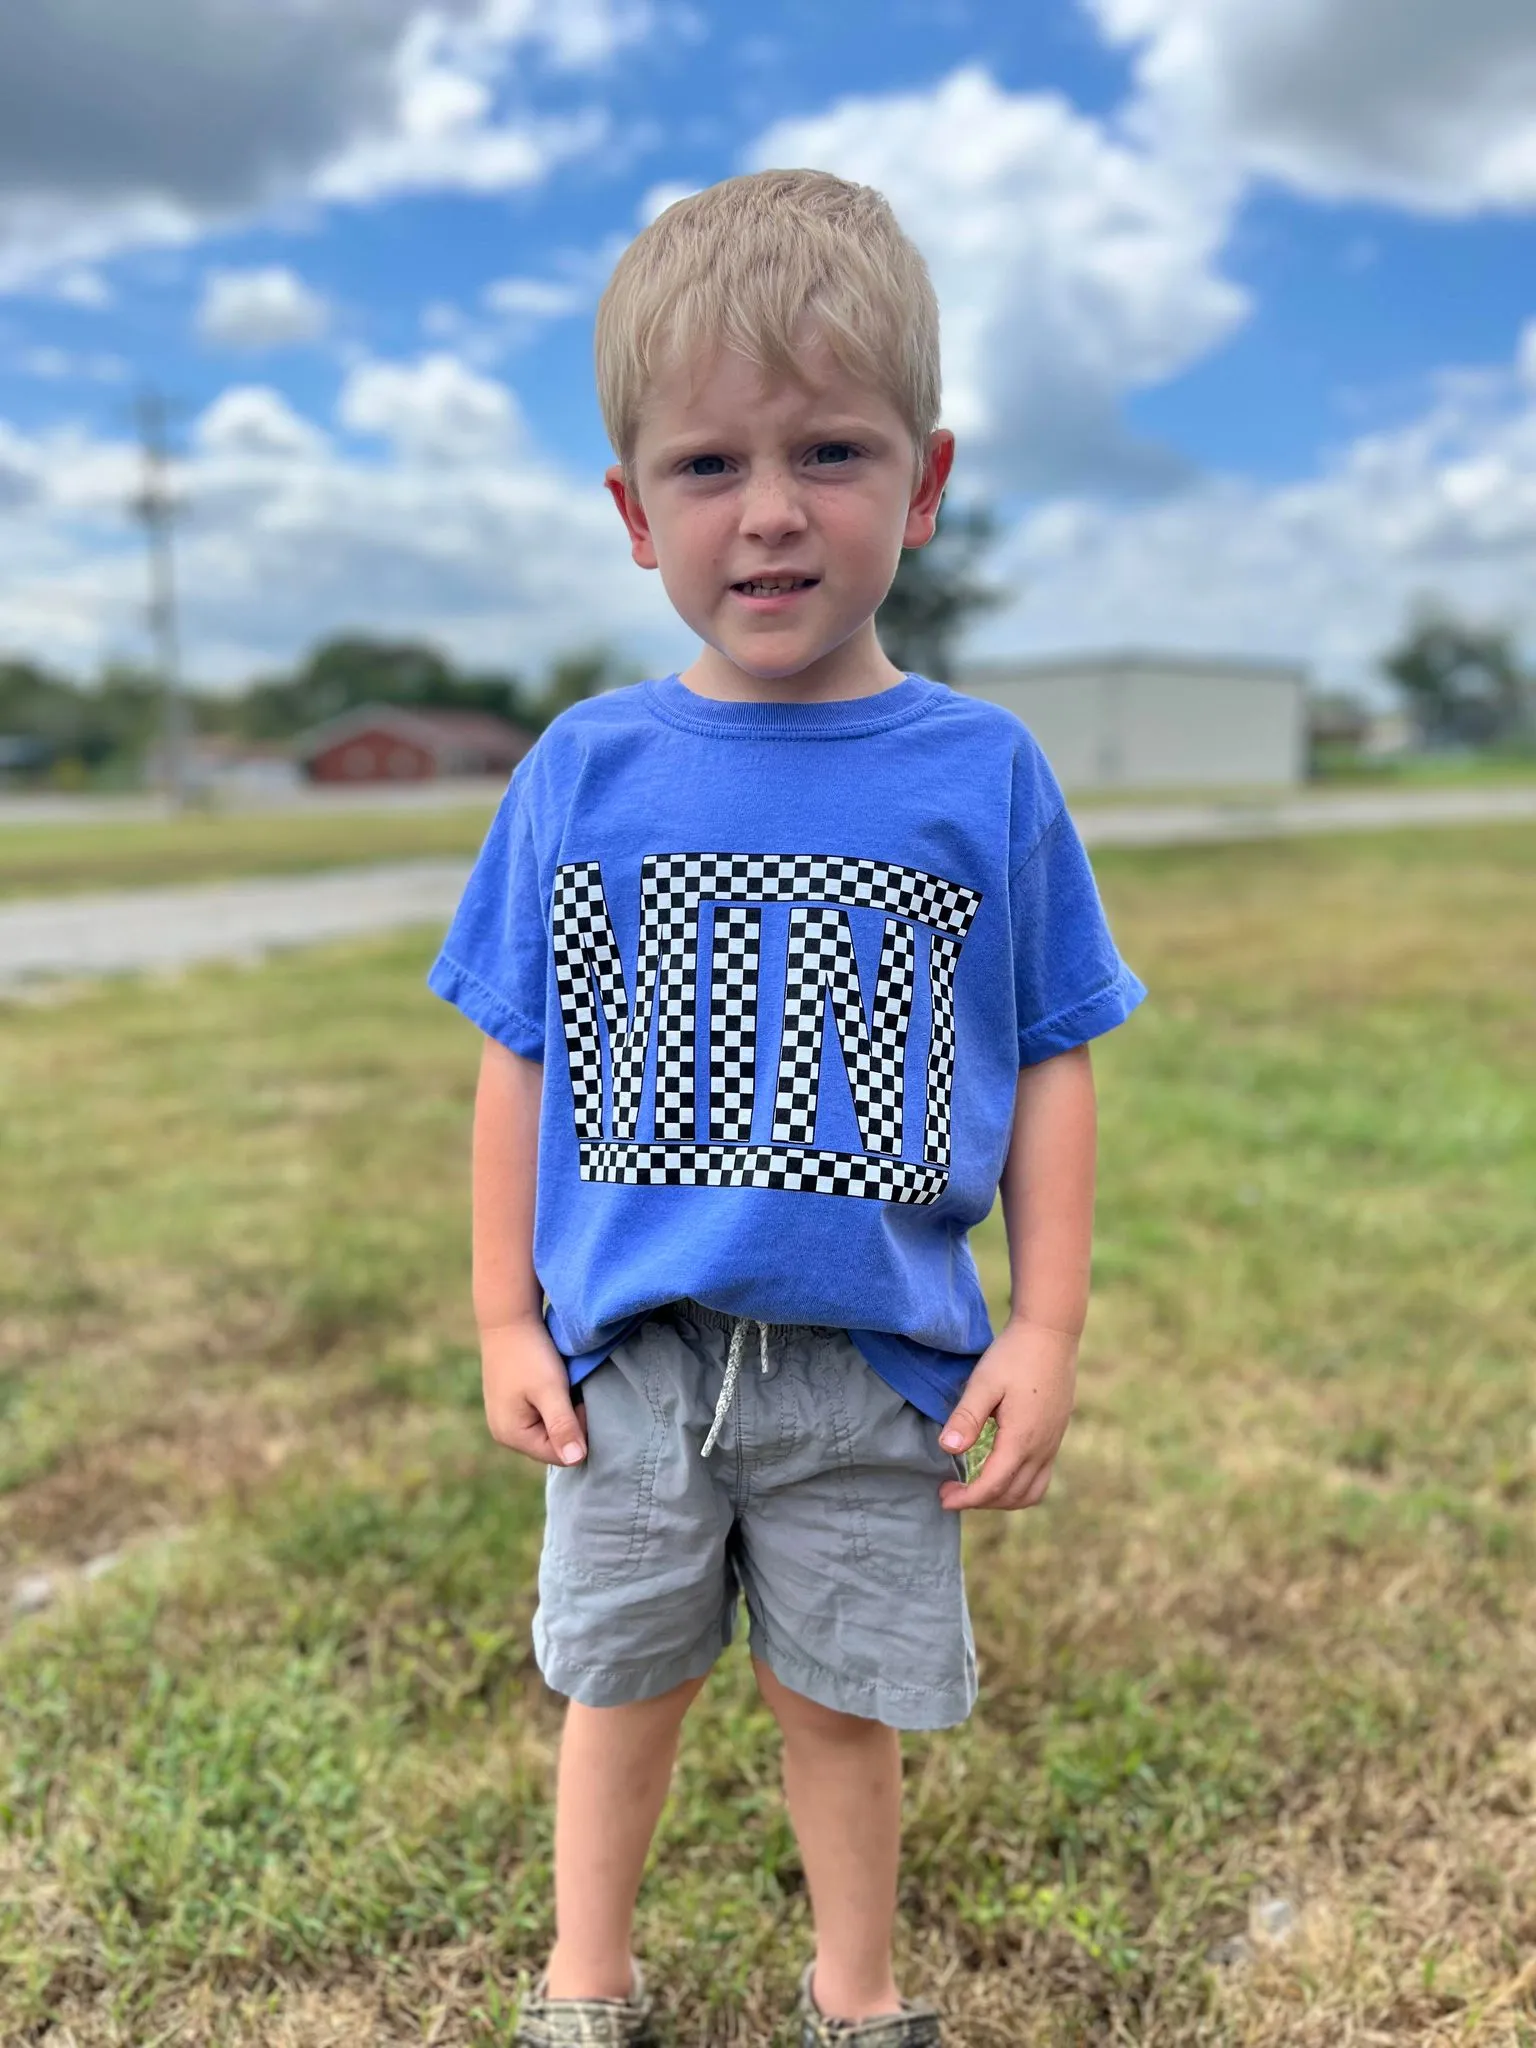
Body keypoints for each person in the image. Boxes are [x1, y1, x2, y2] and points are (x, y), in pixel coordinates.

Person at [428, 167, 1147, 2048]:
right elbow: (517, 1052)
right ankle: (587, 1988)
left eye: (829, 451)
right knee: (623, 1685)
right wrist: (509, 1309)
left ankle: (863, 2001)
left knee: (841, 1704)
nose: (767, 513)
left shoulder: (981, 773)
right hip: (634, 1372)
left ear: (923, 484)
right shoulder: (585, 771)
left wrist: (1050, 1324)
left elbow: (1056, 1044)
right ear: (629, 509)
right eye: (704, 466)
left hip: (872, 1370)